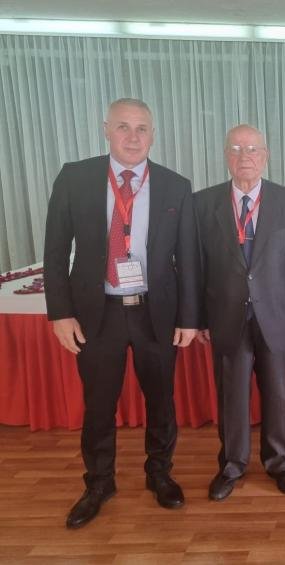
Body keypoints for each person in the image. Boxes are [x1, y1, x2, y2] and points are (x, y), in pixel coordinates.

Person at [43, 98, 199, 528]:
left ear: (153, 135)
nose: (133, 137)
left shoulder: (175, 185)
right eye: (123, 127)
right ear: (106, 130)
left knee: (161, 401)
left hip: (156, 314)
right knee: (98, 405)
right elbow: (54, 251)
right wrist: (60, 313)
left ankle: (159, 473)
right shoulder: (75, 178)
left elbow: (188, 258)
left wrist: (189, 318)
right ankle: (98, 483)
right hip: (98, 315)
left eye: (142, 128)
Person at [194, 125, 285, 501]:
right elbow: (196, 266)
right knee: (232, 396)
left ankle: (279, 463)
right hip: (226, 316)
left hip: (277, 315)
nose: (245, 156)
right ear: (226, 155)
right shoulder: (203, 203)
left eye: (253, 149)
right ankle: (232, 465)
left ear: (266, 156)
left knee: (278, 394)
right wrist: (198, 319)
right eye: (237, 148)